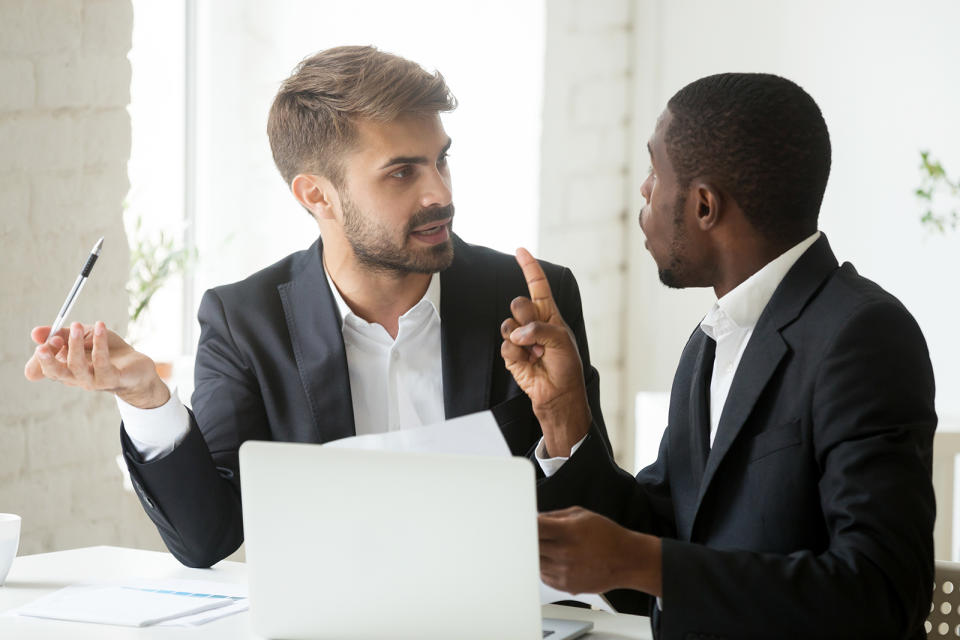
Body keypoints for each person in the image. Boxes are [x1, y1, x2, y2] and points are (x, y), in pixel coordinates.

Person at [23, 46, 608, 569]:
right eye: (403, 172)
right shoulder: (246, 322)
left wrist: (563, 428)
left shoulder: (530, 298)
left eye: (441, 160)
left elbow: (603, 517)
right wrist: (145, 397)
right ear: (316, 195)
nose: (440, 194)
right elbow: (209, 539)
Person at [503, 73, 936, 638]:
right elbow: (658, 551)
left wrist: (645, 561)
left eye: (655, 171)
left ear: (704, 206)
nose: (644, 191)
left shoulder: (863, 336)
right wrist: (563, 416)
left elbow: (880, 595)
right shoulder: (712, 342)